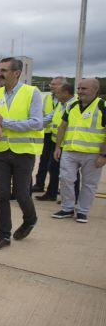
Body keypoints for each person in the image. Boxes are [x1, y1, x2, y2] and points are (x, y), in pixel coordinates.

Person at [0, 57, 43, 251]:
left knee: (22, 194)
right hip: (0, 152)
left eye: (4, 70)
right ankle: (3, 235)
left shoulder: (32, 93)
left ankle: (30, 219)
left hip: (23, 152)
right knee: (2, 195)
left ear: (17, 73)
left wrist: (4, 123)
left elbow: (36, 122)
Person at [52, 78, 106, 223]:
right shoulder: (72, 106)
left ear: (95, 90)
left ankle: (82, 211)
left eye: (84, 89)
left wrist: (103, 155)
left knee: (89, 184)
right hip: (70, 151)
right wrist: (58, 147)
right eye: (79, 89)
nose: (80, 92)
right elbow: (62, 126)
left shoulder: (102, 106)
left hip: (93, 154)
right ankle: (67, 208)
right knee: (65, 179)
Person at [36, 83, 76, 201]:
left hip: (68, 145)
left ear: (66, 93)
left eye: (57, 93)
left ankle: (71, 199)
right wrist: (32, 125)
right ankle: (52, 193)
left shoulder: (74, 105)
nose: (55, 95)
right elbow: (49, 117)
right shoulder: (61, 104)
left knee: (69, 174)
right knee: (53, 169)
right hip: (56, 143)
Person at [33, 76, 65, 193]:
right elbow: (45, 115)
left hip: (61, 137)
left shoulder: (70, 100)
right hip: (47, 134)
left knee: (55, 165)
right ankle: (39, 185)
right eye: (51, 84)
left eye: (54, 84)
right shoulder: (47, 98)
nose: (51, 86)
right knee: (44, 161)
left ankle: (54, 189)